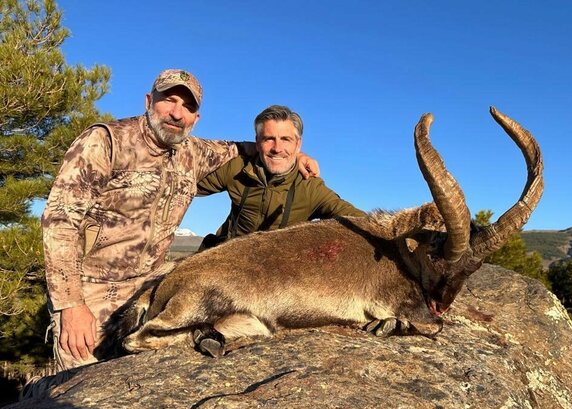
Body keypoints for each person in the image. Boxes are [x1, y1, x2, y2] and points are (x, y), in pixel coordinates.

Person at [40, 70, 319, 372]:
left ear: (196, 118)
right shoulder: (106, 141)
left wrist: (296, 158)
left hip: (150, 293)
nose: (176, 113)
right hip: (91, 294)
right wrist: (71, 306)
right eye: (168, 100)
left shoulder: (193, 152)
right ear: (149, 101)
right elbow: (59, 222)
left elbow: (251, 148)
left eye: (188, 107)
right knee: (80, 391)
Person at [197, 105, 365, 251]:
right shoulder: (237, 167)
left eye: (286, 139)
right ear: (257, 142)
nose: (277, 148)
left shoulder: (309, 186)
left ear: (298, 144)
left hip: (276, 276)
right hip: (225, 262)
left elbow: (360, 221)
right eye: (269, 139)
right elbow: (188, 183)